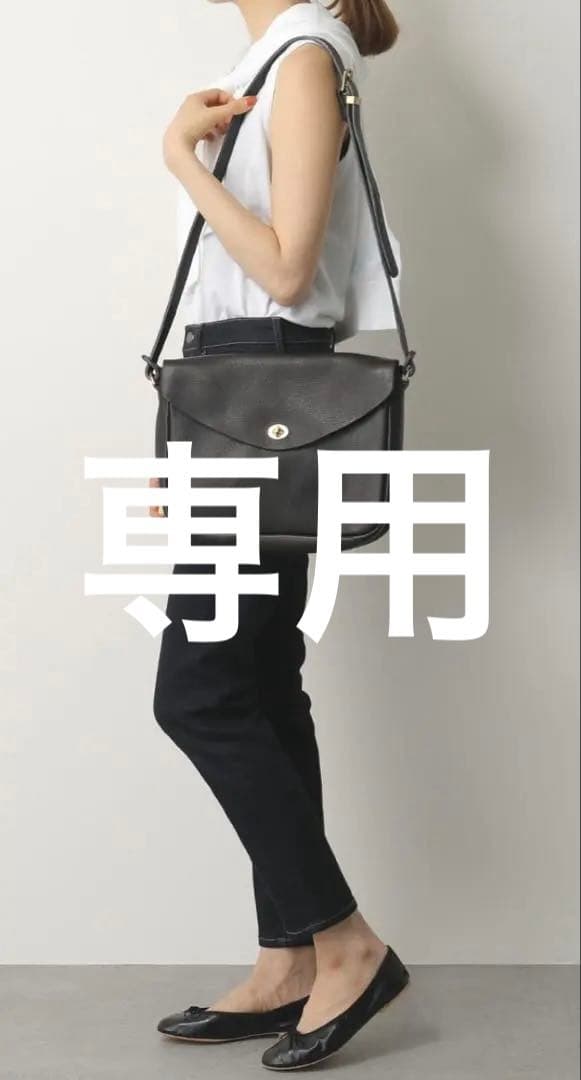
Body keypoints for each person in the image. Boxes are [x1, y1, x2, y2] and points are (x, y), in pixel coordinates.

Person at [151, 0, 410, 1070]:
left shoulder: (302, 60)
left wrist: (183, 159)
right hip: (238, 399)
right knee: (256, 684)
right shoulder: (276, 61)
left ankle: (344, 942)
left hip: (266, 403)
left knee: (200, 694)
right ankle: (287, 958)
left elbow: (288, 271)